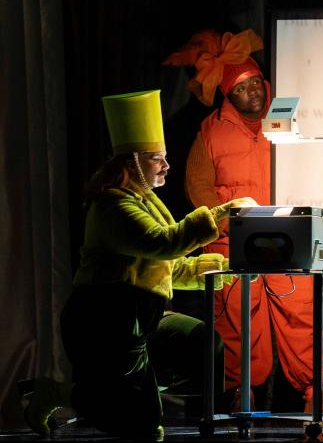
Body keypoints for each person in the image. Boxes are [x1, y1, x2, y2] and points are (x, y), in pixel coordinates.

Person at [20, 90, 254, 440]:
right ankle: (59, 394)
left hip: (141, 319)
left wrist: (219, 267)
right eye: (157, 159)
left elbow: (166, 267)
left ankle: (126, 393)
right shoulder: (111, 207)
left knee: (203, 346)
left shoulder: (146, 202)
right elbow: (162, 244)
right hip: (105, 322)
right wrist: (222, 212)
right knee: (143, 427)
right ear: (132, 162)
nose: (166, 166)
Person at [163, 29, 323, 413]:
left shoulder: (290, 119)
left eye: (256, 83)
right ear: (229, 95)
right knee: (237, 322)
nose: (252, 93)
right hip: (236, 242)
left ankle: (315, 393)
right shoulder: (211, 132)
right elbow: (198, 187)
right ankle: (238, 393)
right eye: (242, 89)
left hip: (291, 238)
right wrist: (228, 224)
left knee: (302, 318)